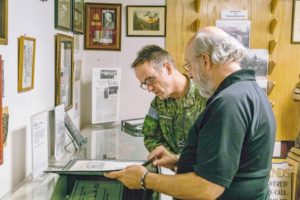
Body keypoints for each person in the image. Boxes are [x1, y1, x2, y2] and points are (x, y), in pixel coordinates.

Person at [105, 26, 276, 200]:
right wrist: (179, 161)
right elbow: (228, 163)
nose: (191, 74)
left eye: (190, 65)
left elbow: (207, 188)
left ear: (205, 61)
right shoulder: (249, 91)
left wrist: (144, 179)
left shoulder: (228, 102)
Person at [131, 44, 206, 154]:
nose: (149, 88)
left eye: (150, 79)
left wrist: (178, 161)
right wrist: (170, 158)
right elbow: (150, 138)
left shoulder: (205, 96)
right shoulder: (158, 103)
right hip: (172, 169)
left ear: (167, 68)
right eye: (144, 83)